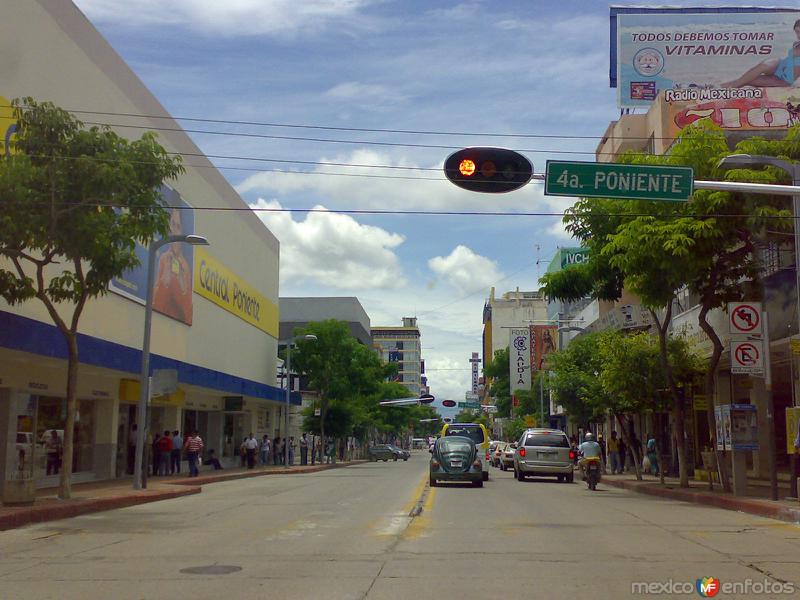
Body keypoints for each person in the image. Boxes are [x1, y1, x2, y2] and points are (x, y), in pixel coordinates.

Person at [721, 19, 800, 88]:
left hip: (784, 79)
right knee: (765, 64)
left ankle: (721, 87)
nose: (798, 35)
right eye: (797, 32)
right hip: (780, 66)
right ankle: (721, 87)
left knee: (750, 80)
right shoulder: (796, 43)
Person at [152, 208, 192, 323]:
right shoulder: (165, 259)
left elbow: (187, 314)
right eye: (172, 225)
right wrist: (164, 283)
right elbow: (156, 306)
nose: (174, 231)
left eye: (178, 227)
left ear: (183, 231)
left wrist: (183, 290)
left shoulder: (185, 268)